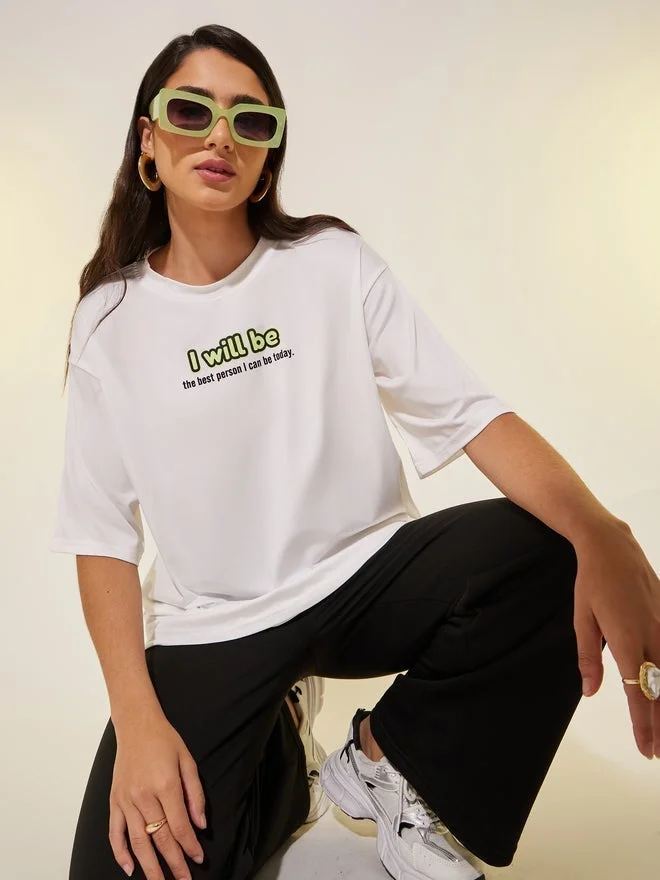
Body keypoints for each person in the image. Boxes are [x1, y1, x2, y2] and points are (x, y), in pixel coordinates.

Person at [50, 22, 660, 880]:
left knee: (550, 546)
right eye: (191, 111)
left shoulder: (331, 263)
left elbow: (471, 416)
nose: (221, 137)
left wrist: (600, 532)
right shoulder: (107, 321)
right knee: (130, 864)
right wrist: (138, 720)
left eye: (250, 121)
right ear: (148, 140)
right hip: (213, 625)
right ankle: (279, 759)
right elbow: (102, 537)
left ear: (269, 156)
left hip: (364, 580)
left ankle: (388, 763)